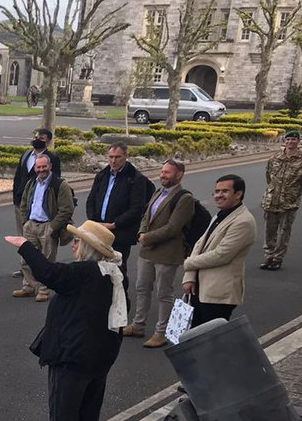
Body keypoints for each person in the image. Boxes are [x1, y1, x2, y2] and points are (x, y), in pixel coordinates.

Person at [4, 220, 125, 421]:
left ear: (89, 249)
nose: (74, 245)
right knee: (88, 414)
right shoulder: (111, 273)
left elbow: (48, 273)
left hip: (74, 356)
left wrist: (25, 246)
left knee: (65, 414)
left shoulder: (84, 273)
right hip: (99, 356)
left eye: (79, 241)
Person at [124, 159, 195, 349]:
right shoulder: (158, 192)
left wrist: (148, 237)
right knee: (142, 288)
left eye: (167, 173)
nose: (163, 175)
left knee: (164, 293)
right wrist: (141, 233)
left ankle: (161, 332)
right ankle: (138, 325)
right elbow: (146, 216)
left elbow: (173, 227)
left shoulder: (184, 198)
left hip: (167, 252)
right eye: (162, 172)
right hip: (147, 250)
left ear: (179, 175)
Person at [183, 174, 257, 327]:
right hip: (200, 288)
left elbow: (221, 255)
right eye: (216, 191)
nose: (218, 195)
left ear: (238, 194)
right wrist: (189, 276)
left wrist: (189, 263)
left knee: (211, 341)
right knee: (193, 337)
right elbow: (200, 244)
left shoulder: (243, 221)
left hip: (218, 294)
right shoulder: (220, 215)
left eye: (224, 191)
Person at [14, 153, 75, 302]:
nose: (41, 170)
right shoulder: (31, 183)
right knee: (26, 259)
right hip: (31, 226)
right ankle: (28, 287)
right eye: (38, 167)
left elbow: (67, 209)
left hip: (48, 226)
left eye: (44, 166)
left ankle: (43, 290)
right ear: (35, 167)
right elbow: (24, 203)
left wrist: (52, 227)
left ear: (50, 167)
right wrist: (25, 222)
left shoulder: (60, 185)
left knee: (46, 262)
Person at [85, 143, 151, 276]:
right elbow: (91, 200)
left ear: (126, 156)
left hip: (120, 234)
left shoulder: (135, 179)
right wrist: (94, 222)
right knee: (97, 270)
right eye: (110, 157)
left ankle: (121, 296)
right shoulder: (102, 175)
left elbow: (136, 209)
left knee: (117, 271)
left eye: (118, 157)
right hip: (99, 231)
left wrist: (115, 224)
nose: (113, 161)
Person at [260, 129, 302, 271]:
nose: (290, 142)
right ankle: (269, 256)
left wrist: (295, 191)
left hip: (289, 201)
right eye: (288, 139)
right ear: (285, 141)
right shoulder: (275, 158)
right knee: (269, 230)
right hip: (271, 199)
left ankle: (278, 258)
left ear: (298, 141)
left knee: (284, 230)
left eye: (293, 139)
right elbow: (268, 176)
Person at [10, 128, 61, 276]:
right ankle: (25, 269)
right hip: (22, 202)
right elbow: (18, 176)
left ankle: (42, 271)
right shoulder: (26, 155)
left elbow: (55, 181)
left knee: (43, 242)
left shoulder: (52, 158)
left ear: (48, 140)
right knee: (24, 237)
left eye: (42, 137)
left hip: (41, 206)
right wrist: (16, 196)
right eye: (36, 136)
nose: (37, 139)